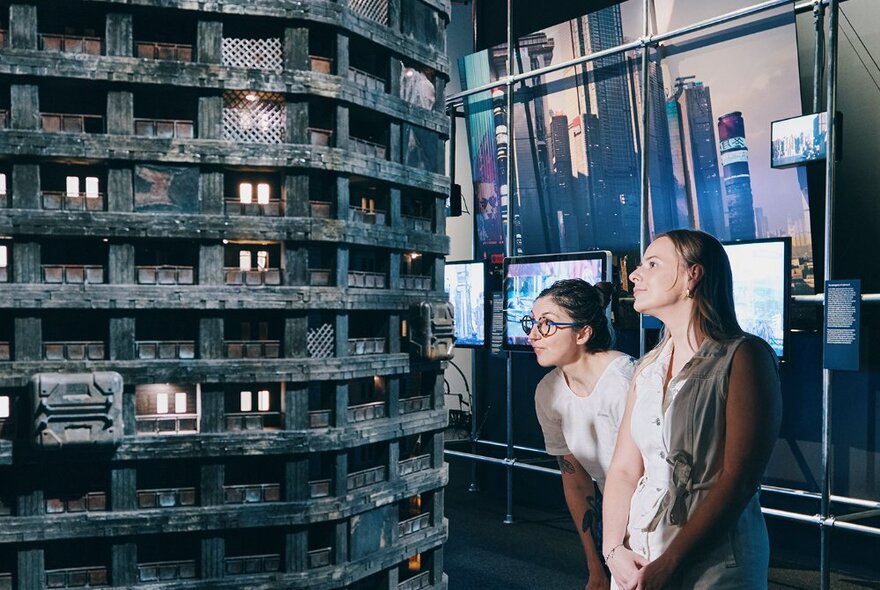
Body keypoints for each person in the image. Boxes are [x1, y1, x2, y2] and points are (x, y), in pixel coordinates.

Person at [602, 229, 782, 590]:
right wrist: (612, 551)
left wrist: (671, 561)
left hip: (716, 561)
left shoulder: (743, 356)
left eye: (652, 264)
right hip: (638, 554)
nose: (635, 275)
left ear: (692, 276)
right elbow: (623, 469)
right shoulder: (648, 367)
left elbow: (739, 478)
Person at [526, 279, 636, 590]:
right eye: (533, 323)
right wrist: (595, 565)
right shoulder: (548, 391)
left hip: (658, 519)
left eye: (546, 325)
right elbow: (575, 481)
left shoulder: (625, 381)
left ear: (583, 333)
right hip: (615, 521)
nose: (533, 334)